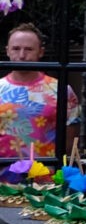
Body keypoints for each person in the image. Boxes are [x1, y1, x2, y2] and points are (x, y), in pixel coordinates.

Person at [0, 24, 65, 162]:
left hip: (45, 178)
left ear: (41, 52)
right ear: (7, 51)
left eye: (29, 49)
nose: (22, 55)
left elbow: (69, 141)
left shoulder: (60, 89)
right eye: (16, 49)